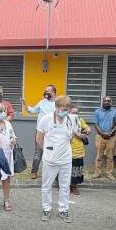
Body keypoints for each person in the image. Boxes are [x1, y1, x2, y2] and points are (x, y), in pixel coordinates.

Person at [36, 95, 79, 223]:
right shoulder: (46, 119)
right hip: (50, 159)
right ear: (56, 107)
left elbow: (71, 138)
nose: (65, 111)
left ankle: (64, 209)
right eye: (62, 108)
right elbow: (39, 138)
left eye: (67, 108)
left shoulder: (71, 119)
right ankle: (46, 209)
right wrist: (48, 151)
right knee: (46, 186)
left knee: (65, 186)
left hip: (66, 159)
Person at [22, 85, 57, 179]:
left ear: (53, 93)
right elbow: (32, 111)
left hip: (53, 133)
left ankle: (51, 174)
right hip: (40, 132)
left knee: (52, 152)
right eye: (45, 91)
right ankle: (34, 172)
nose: (46, 93)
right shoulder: (41, 102)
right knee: (38, 152)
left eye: (48, 91)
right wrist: (25, 104)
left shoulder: (57, 103)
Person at [91, 96, 116, 180]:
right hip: (100, 137)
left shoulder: (115, 112)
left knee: (110, 157)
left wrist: (111, 133)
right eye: (105, 101)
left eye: (108, 101)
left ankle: (109, 173)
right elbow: (95, 124)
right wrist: (102, 133)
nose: (107, 102)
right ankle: (97, 173)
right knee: (98, 156)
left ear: (111, 102)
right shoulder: (97, 111)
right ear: (102, 102)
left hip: (111, 137)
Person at [69, 107, 91, 196]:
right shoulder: (65, 120)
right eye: (72, 112)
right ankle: (65, 187)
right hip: (67, 149)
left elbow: (87, 127)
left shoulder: (80, 120)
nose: (74, 114)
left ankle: (74, 187)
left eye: (76, 113)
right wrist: (78, 134)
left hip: (78, 150)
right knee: (66, 170)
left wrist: (88, 129)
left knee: (77, 169)